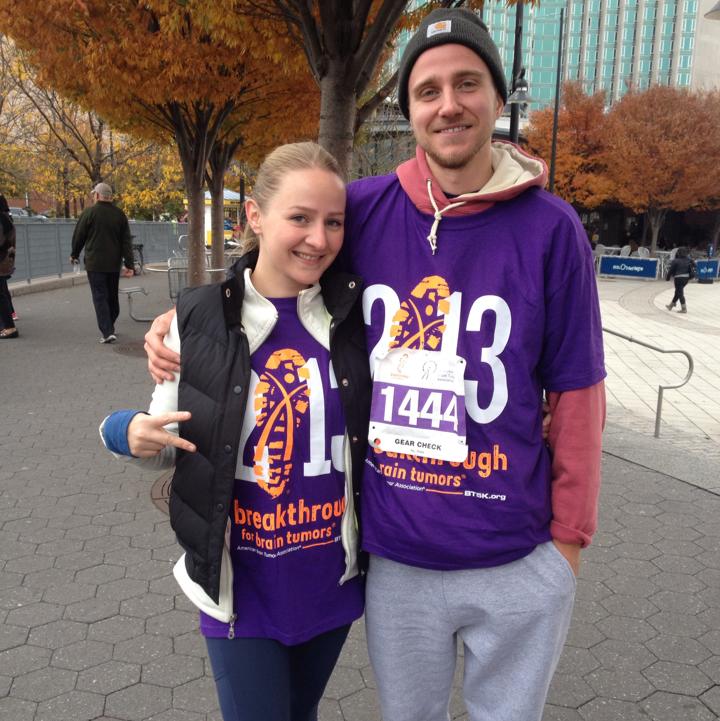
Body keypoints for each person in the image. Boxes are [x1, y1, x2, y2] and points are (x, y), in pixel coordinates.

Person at [144, 9, 606, 721]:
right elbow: (286, 241)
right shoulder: (362, 210)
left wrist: (567, 545)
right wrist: (192, 315)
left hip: (518, 556)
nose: (448, 104)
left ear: (498, 96)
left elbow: (578, 387)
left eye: (467, 83)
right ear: (409, 109)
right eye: (428, 90)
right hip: (397, 560)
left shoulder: (553, 228)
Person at [100, 142, 371, 721]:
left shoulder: (356, 320)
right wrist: (123, 431)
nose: (317, 239)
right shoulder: (200, 319)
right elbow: (159, 442)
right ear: (255, 216)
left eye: (332, 222)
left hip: (331, 584)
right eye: (299, 218)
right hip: (239, 592)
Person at [70, 182, 134, 343]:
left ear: (97, 195)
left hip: (94, 263)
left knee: (100, 297)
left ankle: (107, 331)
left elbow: (79, 236)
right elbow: (126, 241)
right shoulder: (119, 215)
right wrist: (129, 264)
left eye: (93, 195)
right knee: (112, 296)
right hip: (114, 263)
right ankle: (110, 325)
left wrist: (74, 254)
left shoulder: (89, 213)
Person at [0, 194, 18, 339]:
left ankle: (8, 327)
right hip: (6, 260)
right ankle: (8, 325)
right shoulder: (7, 218)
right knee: (2, 292)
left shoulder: (1, 219)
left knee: (1, 294)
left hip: (1, 259)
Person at [665, 246, 695, 313]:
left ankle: (684, 308)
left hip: (678, 278)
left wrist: (667, 278)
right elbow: (695, 265)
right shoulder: (689, 259)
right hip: (686, 279)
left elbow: (671, 270)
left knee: (680, 293)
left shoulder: (676, 261)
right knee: (678, 291)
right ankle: (671, 305)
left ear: (678, 253)